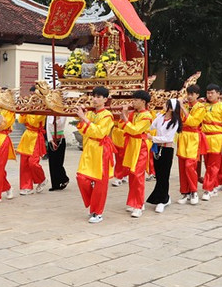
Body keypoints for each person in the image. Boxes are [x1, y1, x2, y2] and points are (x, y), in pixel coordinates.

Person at [76, 86, 115, 223]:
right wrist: (83, 118)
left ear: (105, 99)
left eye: (99, 97)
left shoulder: (107, 116)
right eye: (94, 96)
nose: (95, 99)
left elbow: (99, 133)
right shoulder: (91, 113)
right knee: (81, 178)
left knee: (100, 183)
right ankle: (93, 204)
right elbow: (83, 130)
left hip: (101, 150)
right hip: (89, 148)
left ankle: (97, 212)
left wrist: (84, 119)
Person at [120, 90, 153, 218]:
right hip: (132, 146)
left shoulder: (147, 116)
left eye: (135, 100)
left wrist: (125, 119)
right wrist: (124, 118)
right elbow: (123, 127)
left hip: (140, 147)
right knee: (132, 175)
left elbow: (135, 130)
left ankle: (139, 205)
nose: (133, 102)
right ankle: (135, 202)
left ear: (143, 102)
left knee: (138, 176)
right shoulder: (133, 113)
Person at [146, 98, 182, 213]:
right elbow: (151, 127)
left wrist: (153, 138)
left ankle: (163, 199)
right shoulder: (160, 117)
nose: (163, 105)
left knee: (164, 175)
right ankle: (163, 197)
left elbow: (168, 137)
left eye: (166, 104)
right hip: (157, 148)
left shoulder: (175, 121)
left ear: (171, 108)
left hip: (166, 149)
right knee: (159, 174)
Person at [200, 84, 222, 200]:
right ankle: (213, 186)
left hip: (217, 138)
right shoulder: (203, 106)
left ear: (218, 94)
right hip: (205, 138)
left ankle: (207, 189)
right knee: (207, 163)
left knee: (213, 166)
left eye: (212, 93)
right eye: (208, 93)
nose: (209, 95)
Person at [176, 84, 205, 205]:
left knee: (190, 165)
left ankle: (194, 191)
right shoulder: (185, 105)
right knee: (182, 166)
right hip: (183, 136)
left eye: (192, 94)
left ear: (197, 95)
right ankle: (185, 192)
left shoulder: (200, 108)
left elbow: (193, 122)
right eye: (188, 94)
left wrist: (182, 108)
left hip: (193, 138)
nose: (189, 97)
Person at [16, 89, 48, 195]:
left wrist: (29, 109)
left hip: (35, 136)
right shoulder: (29, 106)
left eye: (35, 95)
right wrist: (24, 110)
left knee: (33, 163)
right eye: (32, 94)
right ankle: (26, 186)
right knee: (24, 163)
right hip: (27, 136)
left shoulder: (43, 108)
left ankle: (41, 179)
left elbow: (34, 121)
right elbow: (21, 121)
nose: (32, 97)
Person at [45, 115, 69, 191]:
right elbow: (48, 127)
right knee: (52, 162)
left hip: (60, 140)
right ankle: (55, 184)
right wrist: (50, 140)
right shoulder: (49, 114)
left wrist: (57, 117)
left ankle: (64, 179)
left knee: (59, 162)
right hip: (52, 140)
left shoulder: (62, 114)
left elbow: (59, 125)